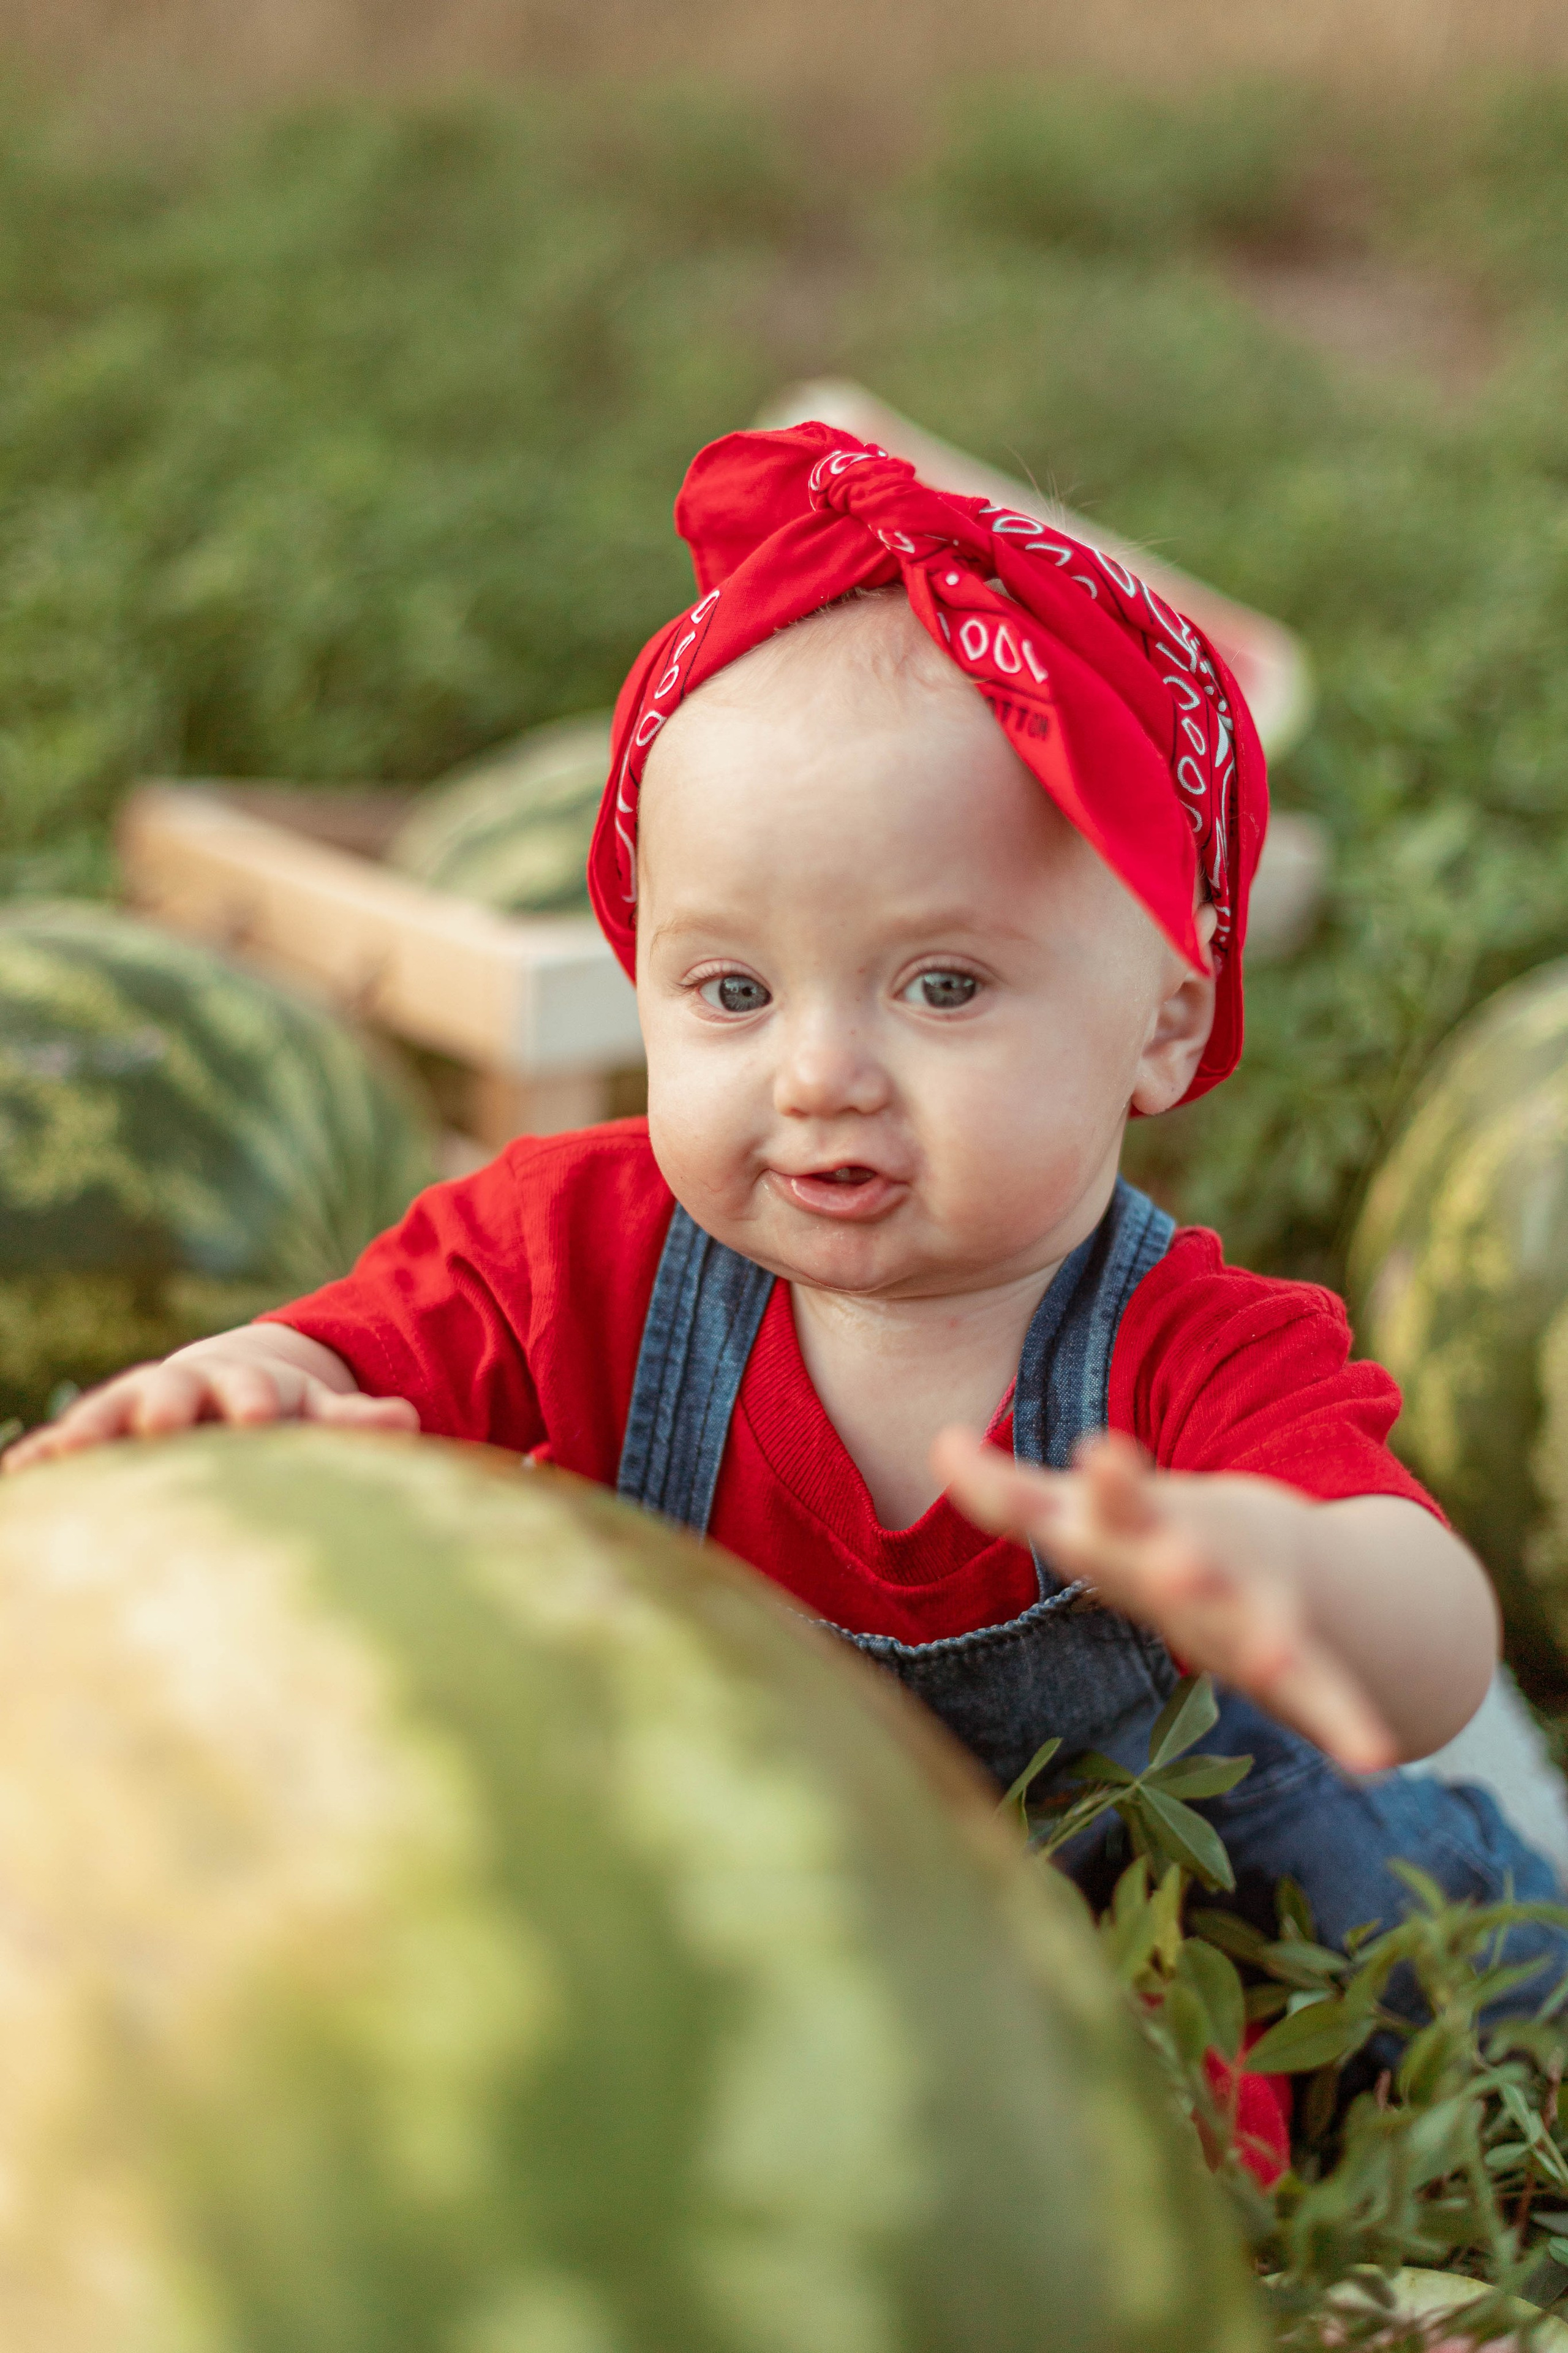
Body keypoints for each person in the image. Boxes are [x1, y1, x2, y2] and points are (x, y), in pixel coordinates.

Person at [9, 423, 1563, 2000]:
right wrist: (258, 1379)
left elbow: (1431, 1638)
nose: (819, 1075)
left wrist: (1289, 1574)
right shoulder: (565, 1246)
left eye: (941, 985)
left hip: (1176, 1930)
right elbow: (348, 1355)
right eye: (733, 991)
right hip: (761, 1924)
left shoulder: (1192, 1351)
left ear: (1164, 1021)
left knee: (1443, 1969)